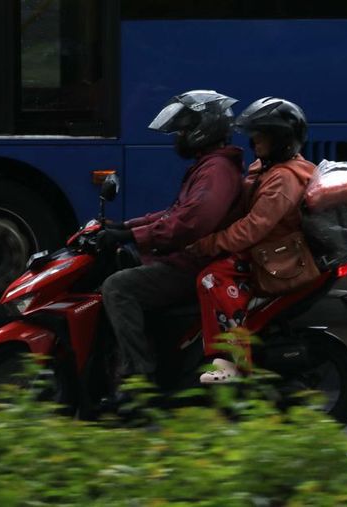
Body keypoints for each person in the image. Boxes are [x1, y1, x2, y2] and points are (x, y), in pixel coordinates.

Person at [98, 90, 244, 395]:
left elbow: (191, 223)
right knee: (119, 264)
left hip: (191, 263)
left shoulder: (216, 171)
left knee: (117, 287)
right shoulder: (209, 166)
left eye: (185, 128)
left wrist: (132, 237)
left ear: (203, 129)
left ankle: (138, 379)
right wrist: (126, 227)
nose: (179, 136)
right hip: (183, 258)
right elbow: (174, 213)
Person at [187, 97, 316, 383]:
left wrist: (209, 243)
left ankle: (233, 366)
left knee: (212, 279)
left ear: (281, 139)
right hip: (263, 250)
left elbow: (252, 228)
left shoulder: (284, 178)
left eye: (263, 134)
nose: (254, 139)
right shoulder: (267, 168)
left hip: (273, 255)